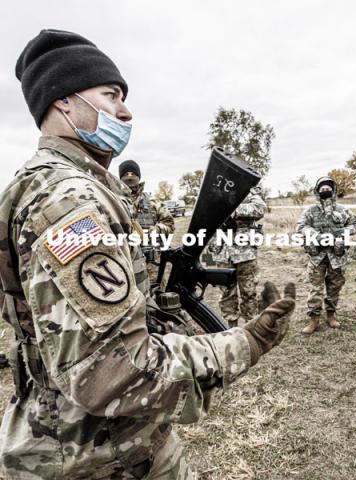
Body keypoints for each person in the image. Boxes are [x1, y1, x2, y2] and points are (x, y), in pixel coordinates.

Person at [0, 29, 295, 480]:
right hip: (95, 455)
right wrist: (246, 342)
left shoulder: (50, 186)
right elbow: (115, 372)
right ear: (63, 100)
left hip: (102, 440)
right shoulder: (69, 200)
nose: (125, 110)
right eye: (111, 94)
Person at [296, 176, 356, 332]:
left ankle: (331, 315)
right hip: (317, 256)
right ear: (317, 191)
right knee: (315, 288)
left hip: (337, 256)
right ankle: (314, 319)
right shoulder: (311, 210)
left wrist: (342, 232)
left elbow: (354, 224)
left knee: (334, 287)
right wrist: (317, 236)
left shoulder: (343, 210)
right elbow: (301, 226)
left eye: (328, 188)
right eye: (322, 189)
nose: (325, 190)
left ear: (333, 190)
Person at [210, 187, 267, 327]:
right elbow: (208, 213)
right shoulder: (215, 192)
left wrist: (233, 212)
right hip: (223, 251)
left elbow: (260, 208)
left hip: (245, 252)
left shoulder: (249, 192)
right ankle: (232, 328)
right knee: (226, 293)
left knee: (249, 291)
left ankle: (251, 327)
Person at [119, 159, 175, 285]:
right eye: (125, 173)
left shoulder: (153, 203)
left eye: (132, 173)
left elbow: (170, 225)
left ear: (138, 176)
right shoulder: (113, 202)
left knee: (158, 298)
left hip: (152, 268)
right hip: (124, 267)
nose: (129, 176)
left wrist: (158, 229)